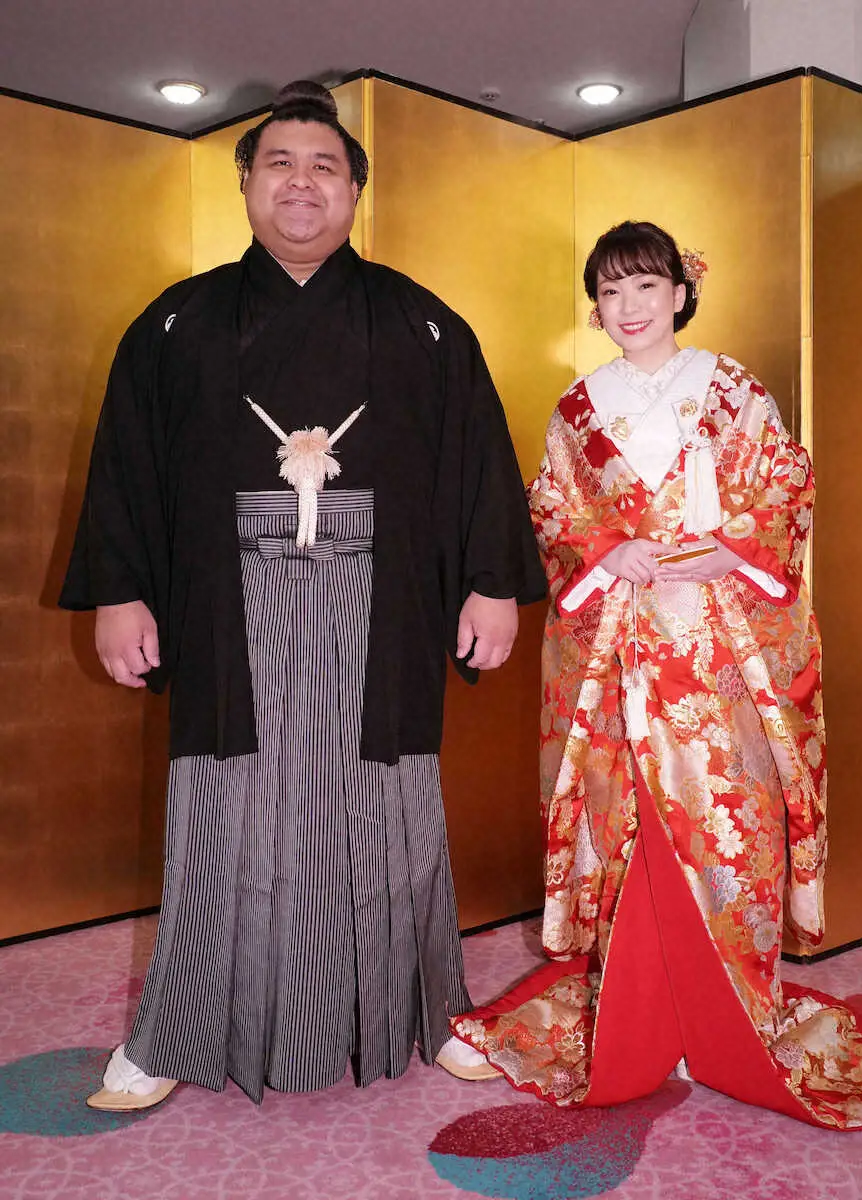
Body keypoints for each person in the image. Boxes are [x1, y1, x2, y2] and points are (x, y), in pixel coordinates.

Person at [59, 80, 545, 1109]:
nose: (301, 183)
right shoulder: (177, 322)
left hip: (385, 601)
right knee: (223, 811)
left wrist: (492, 585)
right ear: (246, 184)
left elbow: (477, 458)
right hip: (224, 601)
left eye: (325, 167)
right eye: (279, 163)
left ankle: (425, 1008)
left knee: (387, 808)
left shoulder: (421, 324)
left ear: (356, 192)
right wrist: (121, 594)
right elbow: (126, 466)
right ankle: (178, 1029)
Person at [449, 221, 862, 1128]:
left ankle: (723, 1009)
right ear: (596, 307)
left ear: (681, 294)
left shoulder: (733, 390)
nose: (629, 307)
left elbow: (786, 486)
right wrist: (607, 551)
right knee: (629, 819)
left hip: (719, 646)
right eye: (610, 292)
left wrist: (730, 550)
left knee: (725, 823)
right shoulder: (579, 407)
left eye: (646, 287)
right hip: (619, 644)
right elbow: (552, 509)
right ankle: (638, 1011)